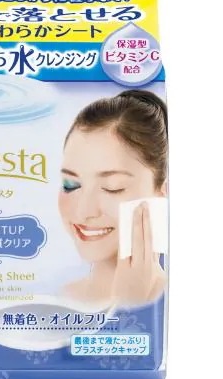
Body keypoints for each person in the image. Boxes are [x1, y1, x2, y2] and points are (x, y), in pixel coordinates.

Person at [58, 89, 168, 307]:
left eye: (112, 188)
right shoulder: (60, 295)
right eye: (71, 185)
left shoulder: (168, 301)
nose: (83, 211)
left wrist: (131, 304)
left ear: (162, 192)